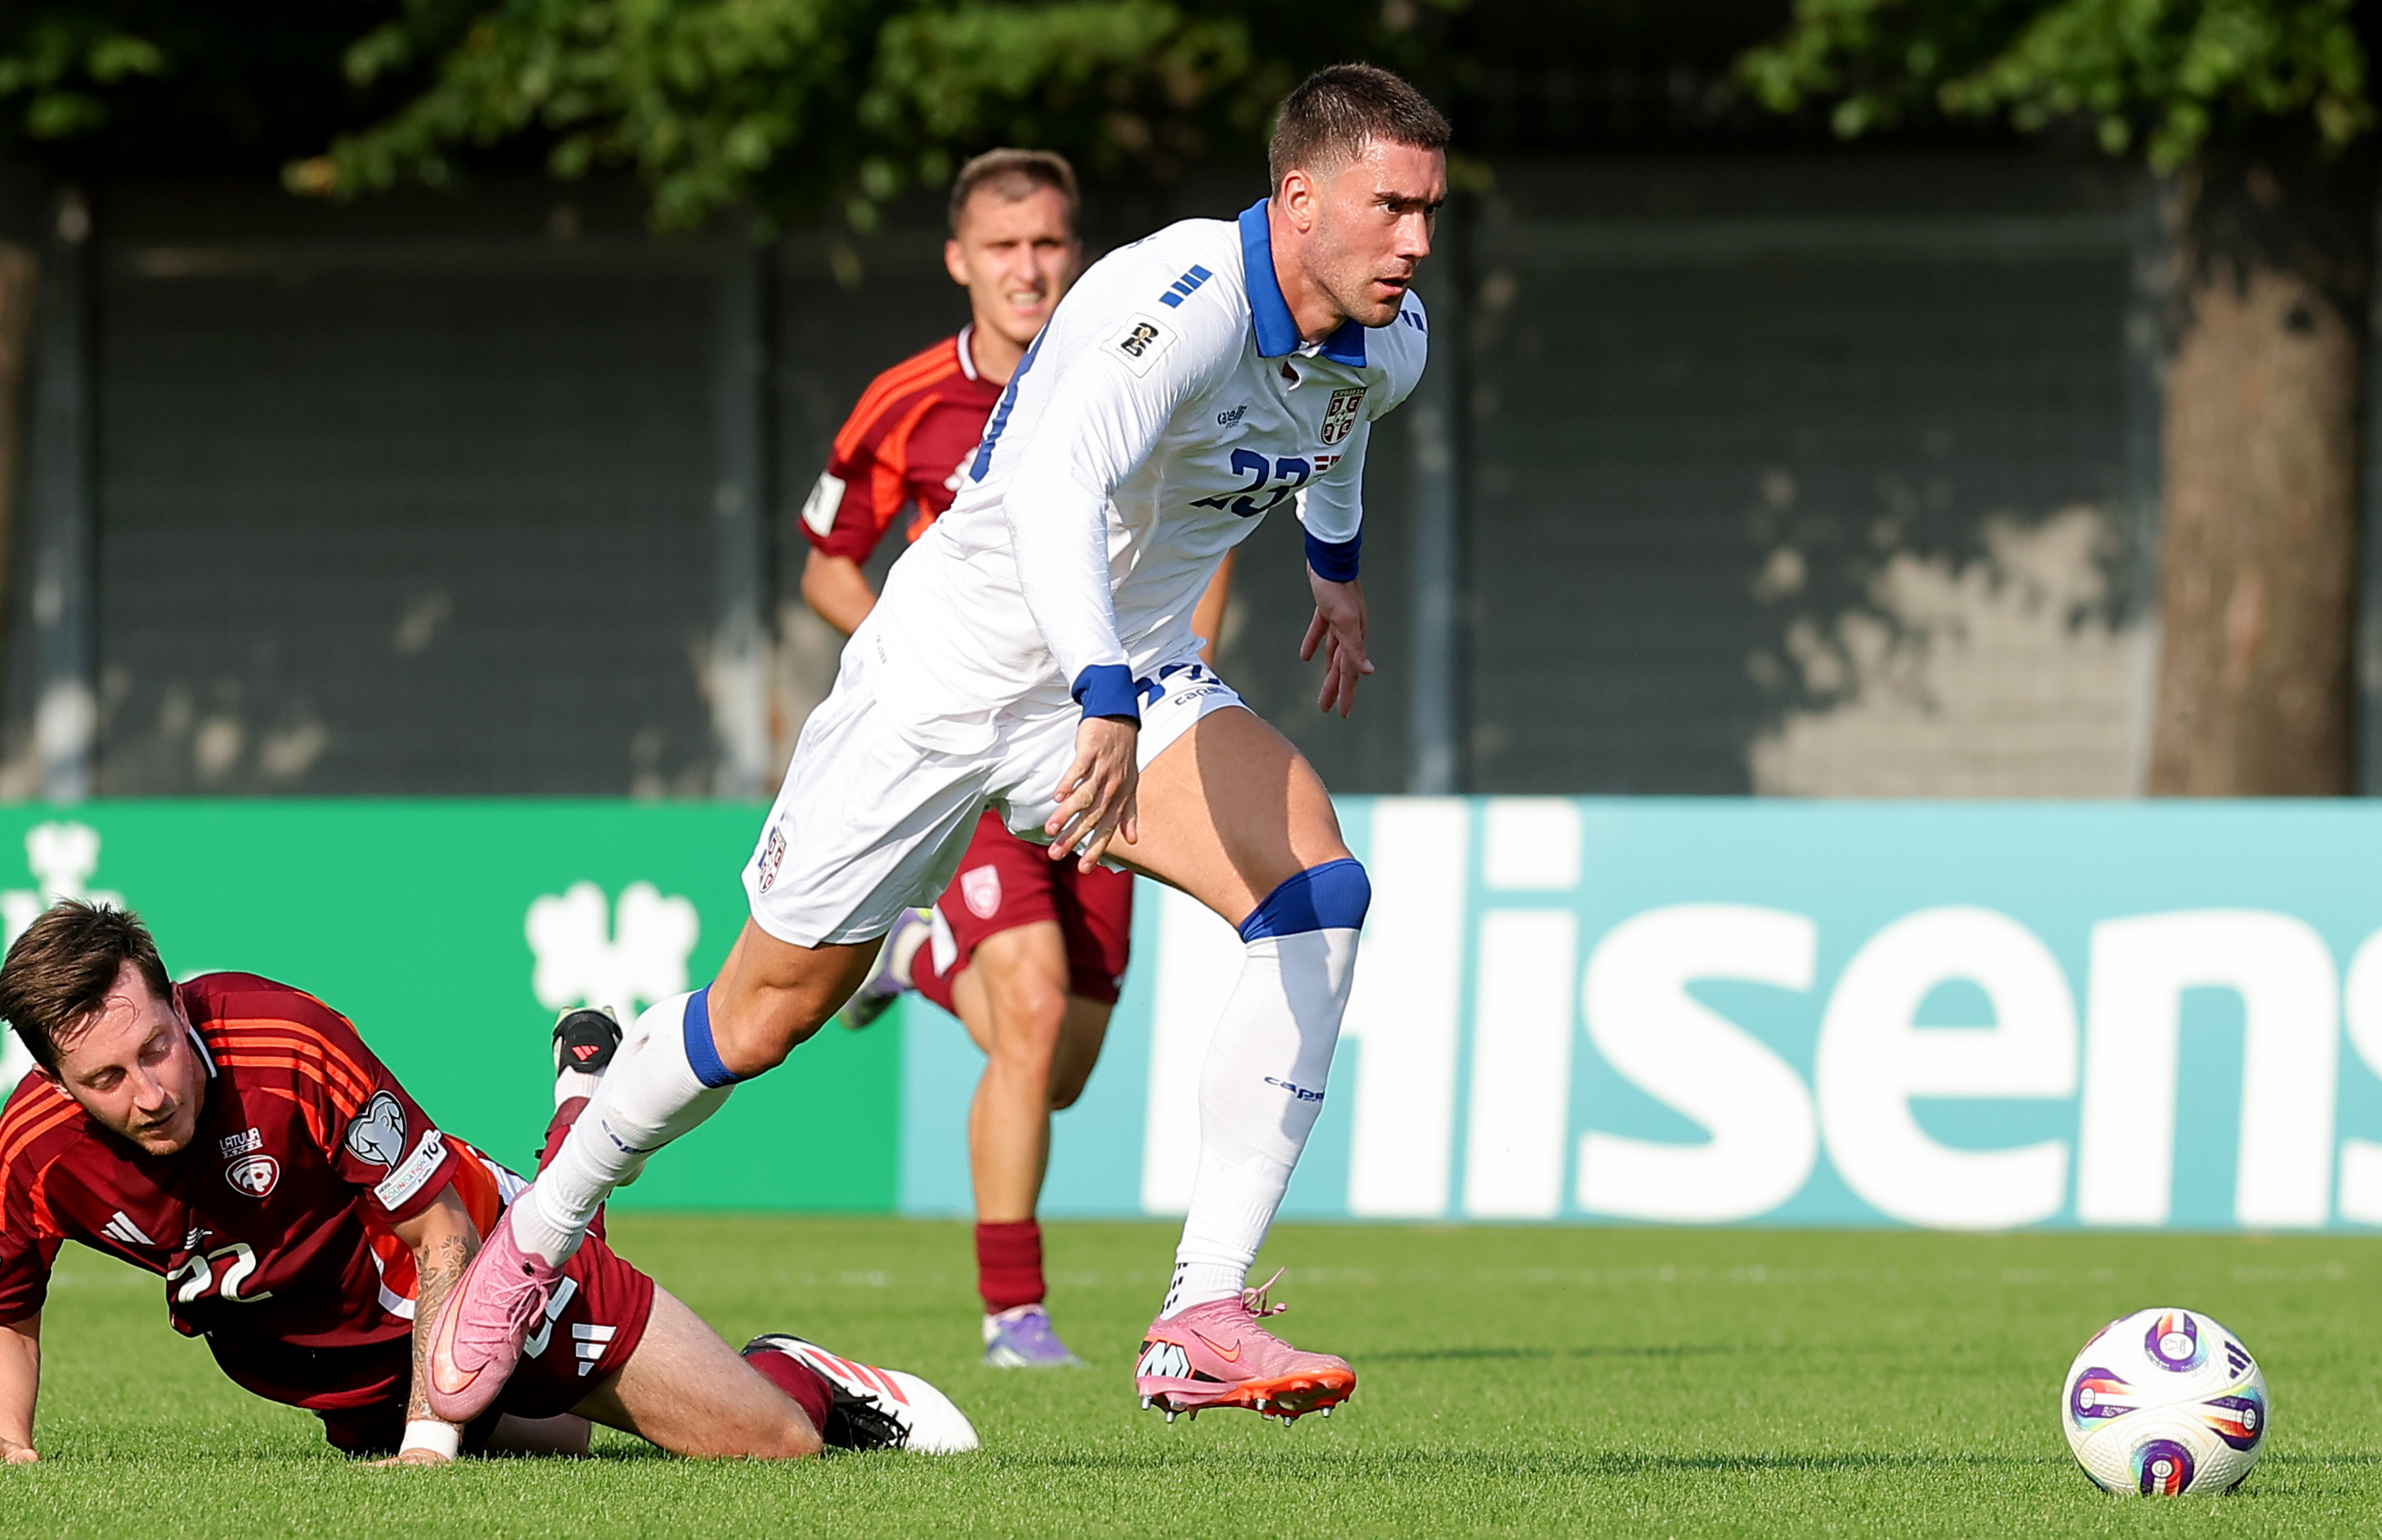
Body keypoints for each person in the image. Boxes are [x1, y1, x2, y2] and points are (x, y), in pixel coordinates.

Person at [434, 63, 1447, 1430]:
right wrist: (1094, 684)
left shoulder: (1390, 337)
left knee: (1316, 891)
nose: (1417, 241)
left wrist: (1334, 568)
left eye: (1427, 210)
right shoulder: (1181, 300)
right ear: (1298, 197)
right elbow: (1047, 497)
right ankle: (538, 1229)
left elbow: (1336, 435)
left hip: (1124, 675)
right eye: (1391, 208)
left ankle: (1200, 1311)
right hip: (949, 672)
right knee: (763, 1013)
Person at [0, 901, 975, 1463]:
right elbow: (11, 1303)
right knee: (574, 1446)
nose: (151, 1090)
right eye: (107, 1080)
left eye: (157, 1047)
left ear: (175, 999)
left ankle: (802, 1368)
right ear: (55, 1080)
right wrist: (14, 1445)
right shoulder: (31, 1150)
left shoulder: (286, 1042)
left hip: (487, 1270)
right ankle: (578, 1110)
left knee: (775, 1444)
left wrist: (430, 1445)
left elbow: (441, 1234)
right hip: (345, 1371)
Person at [796, 147, 1231, 1369]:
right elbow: (826, 561)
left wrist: (1177, 674)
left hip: (1107, 734)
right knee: (1031, 1007)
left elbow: (1209, 523)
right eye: (1003, 247)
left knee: (1061, 1063)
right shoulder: (905, 400)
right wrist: (922, 658)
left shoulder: (1138, 368)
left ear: (1073, 252)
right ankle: (1014, 1315)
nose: (1028, 268)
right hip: (979, 736)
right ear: (958, 262)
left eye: (1046, 243)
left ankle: (917, 947)